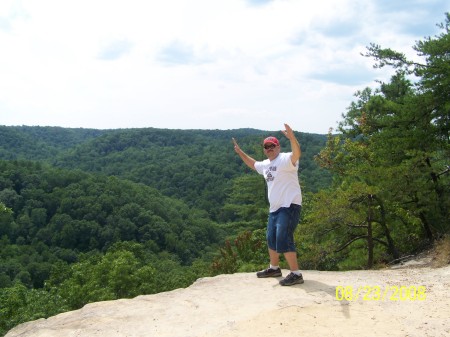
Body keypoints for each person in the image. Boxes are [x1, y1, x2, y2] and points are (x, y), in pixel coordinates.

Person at [232, 123, 304, 286]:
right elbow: (253, 164)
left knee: (283, 236)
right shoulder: (265, 165)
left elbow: (297, 153)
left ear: (278, 147)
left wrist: (292, 138)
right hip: (275, 208)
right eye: (267, 146)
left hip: (289, 205)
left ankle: (296, 273)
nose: (270, 148)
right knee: (271, 237)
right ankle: (274, 268)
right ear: (264, 149)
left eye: (272, 145)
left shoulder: (285, 159)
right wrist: (240, 152)